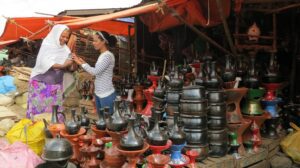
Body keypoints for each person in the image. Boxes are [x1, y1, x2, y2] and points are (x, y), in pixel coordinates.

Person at [26, 24, 74, 121]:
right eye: (62, 36)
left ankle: (53, 130)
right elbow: (47, 64)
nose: (64, 39)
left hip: (56, 85)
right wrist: (63, 65)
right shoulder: (47, 45)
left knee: (55, 111)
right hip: (40, 84)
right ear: (56, 34)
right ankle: (37, 128)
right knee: (38, 109)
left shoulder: (65, 49)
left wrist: (72, 63)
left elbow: (70, 65)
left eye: (67, 37)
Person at [72, 31, 117, 114]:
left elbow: (95, 72)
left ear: (103, 41)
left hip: (106, 95)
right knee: (101, 122)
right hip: (99, 93)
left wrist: (82, 64)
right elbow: (98, 70)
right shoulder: (102, 55)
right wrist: (82, 62)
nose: (93, 43)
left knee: (108, 122)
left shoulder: (107, 56)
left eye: (95, 41)